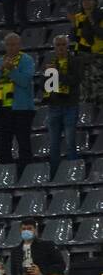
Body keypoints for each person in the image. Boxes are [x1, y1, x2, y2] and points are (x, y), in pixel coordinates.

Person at [0, 32, 35, 171]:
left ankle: (25, 172)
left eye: (14, 44)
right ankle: (5, 172)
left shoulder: (26, 60)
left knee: (23, 142)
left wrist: (12, 70)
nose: (12, 47)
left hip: (22, 109)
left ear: (19, 45)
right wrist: (1, 70)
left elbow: (25, 81)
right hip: (2, 109)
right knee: (3, 144)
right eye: (9, 45)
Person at [44, 34, 82, 177]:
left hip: (70, 106)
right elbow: (46, 86)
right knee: (53, 144)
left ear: (67, 46)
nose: (60, 48)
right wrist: (48, 74)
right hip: (54, 106)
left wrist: (57, 72)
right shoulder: (50, 62)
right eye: (58, 45)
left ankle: (74, 174)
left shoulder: (75, 61)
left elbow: (75, 80)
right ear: (54, 47)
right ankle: (54, 176)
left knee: (70, 142)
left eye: (63, 45)